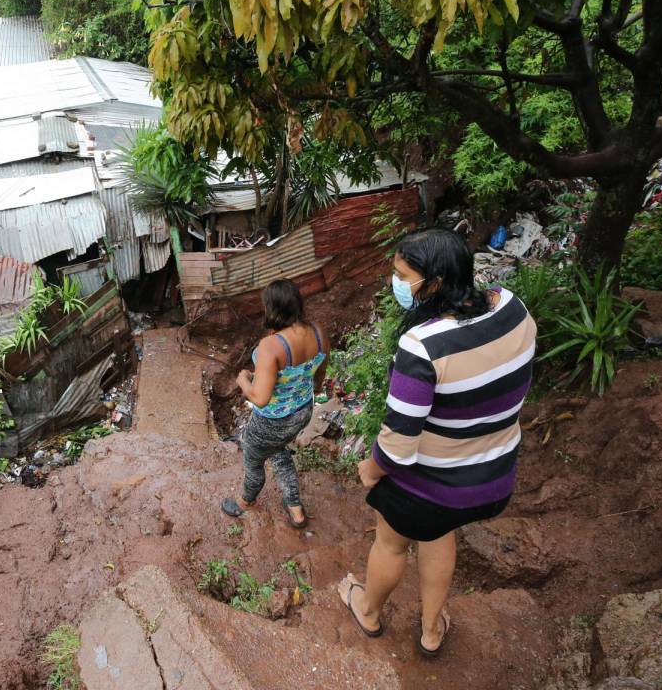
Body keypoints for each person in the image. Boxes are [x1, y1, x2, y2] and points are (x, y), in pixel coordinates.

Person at [338, 228, 536, 657]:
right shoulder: (513, 308)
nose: (396, 283)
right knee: (438, 531)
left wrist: (369, 471)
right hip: (493, 479)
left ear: (435, 283)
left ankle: (368, 610)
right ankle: (431, 630)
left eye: (402, 275)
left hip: (432, 485)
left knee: (391, 541)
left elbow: (397, 446)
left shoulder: (422, 346)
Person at [221, 279, 329, 530]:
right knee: (279, 451)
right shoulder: (318, 331)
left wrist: (243, 380)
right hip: (302, 411)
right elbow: (320, 373)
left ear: (271, 308)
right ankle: (295, 508)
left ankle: (245, 501)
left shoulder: (270, 346)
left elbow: (260, 398)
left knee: (253, 458)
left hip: (271, 420)